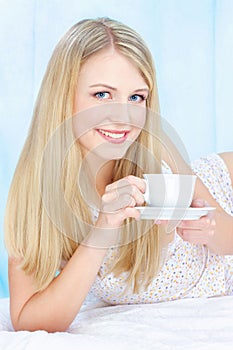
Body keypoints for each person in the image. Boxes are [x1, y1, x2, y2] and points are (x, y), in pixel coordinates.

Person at [4, 17, 233, 333]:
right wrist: (103, 228)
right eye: (101, 94)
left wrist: (208, 230)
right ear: (63, 96)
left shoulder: (158, 158)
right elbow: (29, 320)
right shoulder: (39, 199)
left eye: (136, 97)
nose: (122, 116)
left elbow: (227, 237)